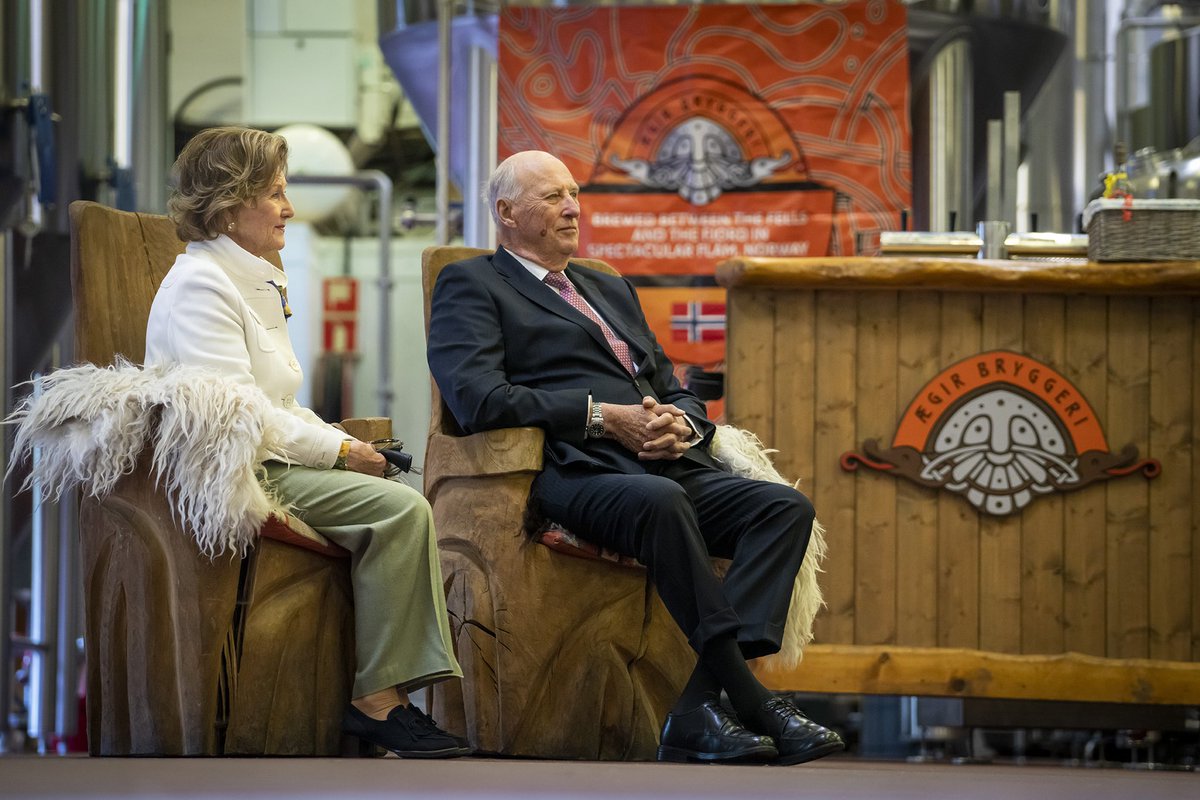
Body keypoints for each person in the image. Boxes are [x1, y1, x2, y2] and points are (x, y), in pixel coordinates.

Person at [426, 150, 844, 765]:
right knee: (662, 500)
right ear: (506, 213)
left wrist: (685, 423)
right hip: (571, 470)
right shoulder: (475, 283)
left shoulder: (607, 284)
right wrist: (601, 417)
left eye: (573, 193)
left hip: (663, 462)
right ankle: (752, 701)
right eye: (551, 198)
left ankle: (704, 703)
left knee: (781, 508)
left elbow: (667, 382)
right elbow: (476, 397)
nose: (572, 207)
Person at [145, 126, 468, 758]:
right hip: (233, 471)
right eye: (275, 195)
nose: (289, 208)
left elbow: (281, 401)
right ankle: (379, 702)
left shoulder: (254, 277)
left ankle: (392, 693)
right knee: (401, 510)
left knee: (396, 492)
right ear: (230, 205)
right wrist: (344, 453)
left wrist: (339, 439)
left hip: (266, 455)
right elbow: (236, 416)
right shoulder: (201, 286)